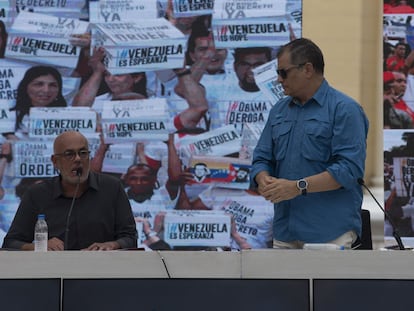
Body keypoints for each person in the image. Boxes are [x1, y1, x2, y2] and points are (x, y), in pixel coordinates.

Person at [250, 38, 369, 249]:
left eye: (283, 72)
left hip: (329, 233)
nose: (278, 80)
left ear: (307, 69)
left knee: (329, 284)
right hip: (285, 231)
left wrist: (298, 187)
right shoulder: (279, 110)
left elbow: (349, 170)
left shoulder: (345, 109)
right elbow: (261, 158)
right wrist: (263, 178)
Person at [2, 131, 137, 251]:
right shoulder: (37, 194)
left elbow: (130, 238)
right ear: (55, 161)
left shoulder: (112, 188)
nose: (78, 159)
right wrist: (39, 246)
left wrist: (113, 245)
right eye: (69, 154)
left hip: (102, 272)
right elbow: (10, 244)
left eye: (83, 153)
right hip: (54, 273)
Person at [8, 66, 67, 137]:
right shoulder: (9, 117)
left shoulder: (69, 117)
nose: (46, 90)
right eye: (39, 84)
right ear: (25, 87)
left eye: (52, 85)